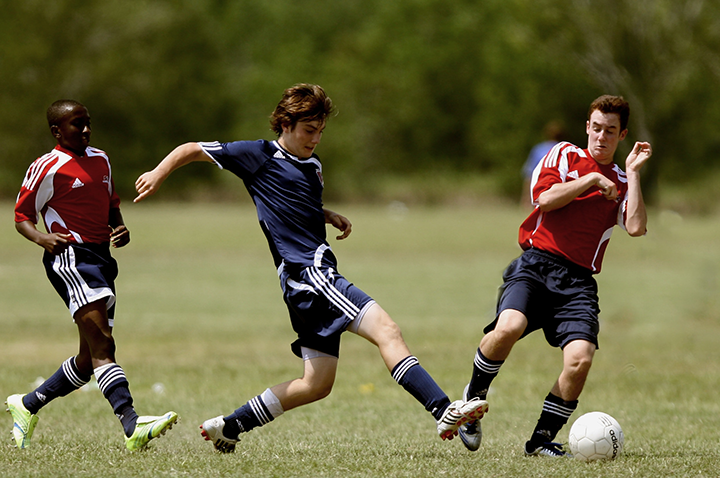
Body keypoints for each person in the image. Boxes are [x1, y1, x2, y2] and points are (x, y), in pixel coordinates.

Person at [134, 83, 486, 452]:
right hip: (311, 274)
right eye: (308, 130)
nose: (316, 139)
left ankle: (230, 426)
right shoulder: (258, 155)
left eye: (320, 131)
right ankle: (443, 409)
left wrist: (326, 214)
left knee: (316, 384)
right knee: (387, 330)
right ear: (285, 124)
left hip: (302, 283)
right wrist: (159, 173)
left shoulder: (313, 166)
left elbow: (293, 204)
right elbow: (192, 149)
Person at [458, 95, 652, 456]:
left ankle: (541, 440)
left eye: (610, 131)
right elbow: (545, 199)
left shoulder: (623, 181)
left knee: (580, 359)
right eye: (596, 128)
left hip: (578, 282)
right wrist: (592, 178)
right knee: (508, 328)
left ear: (621, 134)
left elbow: (637, 227)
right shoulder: (564, 155)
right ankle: (472, 401)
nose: (601, 137)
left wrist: (635, 173)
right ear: (587, 127)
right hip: (536, 265)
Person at [6, 100, 178, 451]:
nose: (85, 130)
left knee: (88, 361)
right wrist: (42, 237)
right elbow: (21, 215)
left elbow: (111, 203)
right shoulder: (47, 166)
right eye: (76, 124)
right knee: (104, 345)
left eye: (88, 123)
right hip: (70, 258)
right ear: (57, 131)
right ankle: (132, 424)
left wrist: (120, 227)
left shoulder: (101, 159)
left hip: (101, 257)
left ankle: (27, 404)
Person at [520, 120, 565, 207]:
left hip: (539, 190)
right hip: (558, 192)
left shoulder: (538, 150)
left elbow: (529, 174)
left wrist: (526, 197)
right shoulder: (565, 150)